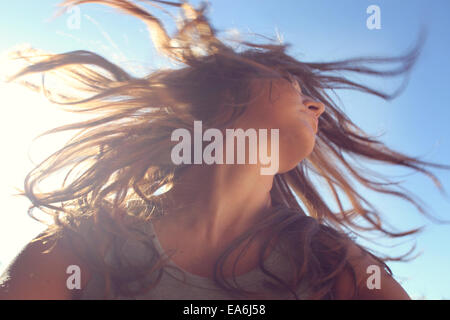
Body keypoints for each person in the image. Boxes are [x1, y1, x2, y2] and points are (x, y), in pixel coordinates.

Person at [0, 0, 447, 300]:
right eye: (293, 86)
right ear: (220, 98)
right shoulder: (83, 243)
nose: (317, 105)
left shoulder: (330, 260)